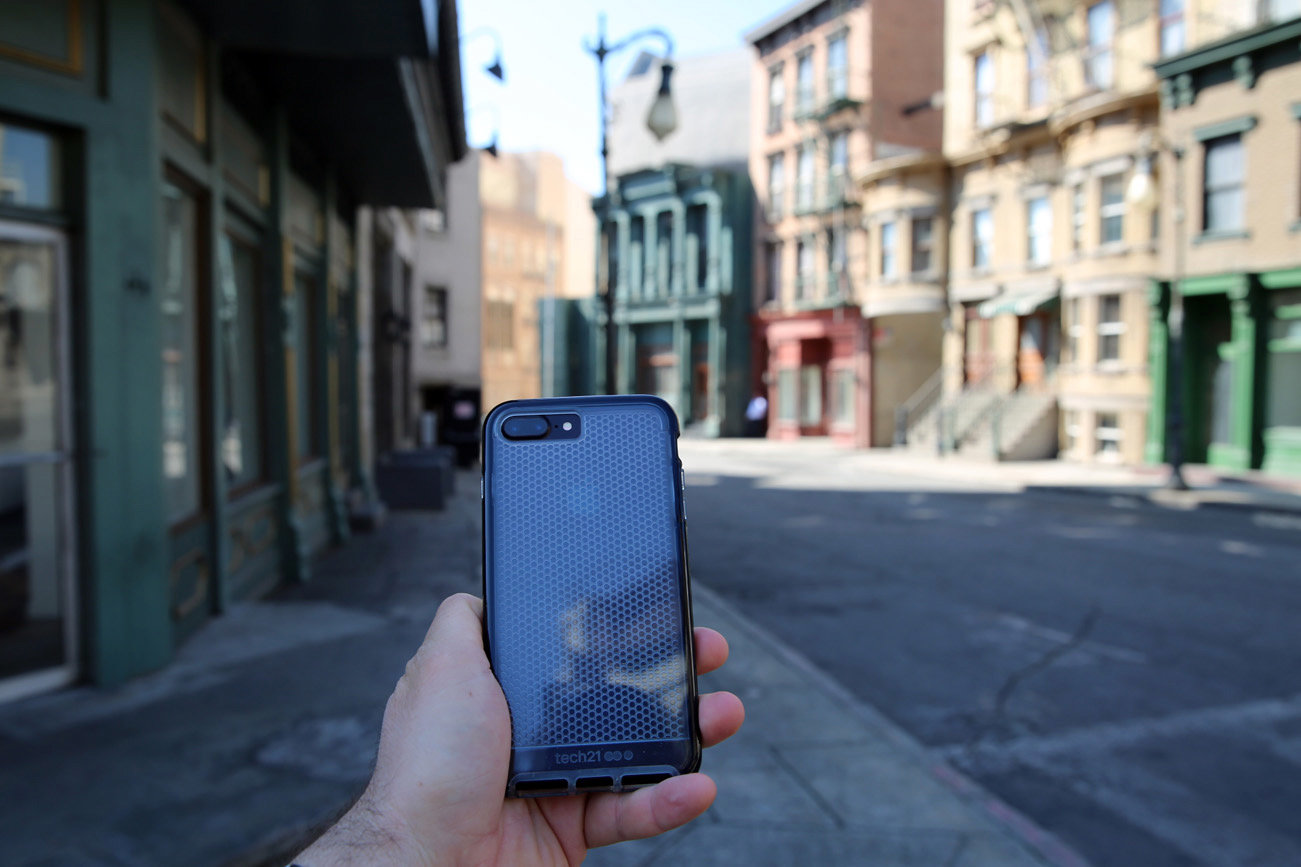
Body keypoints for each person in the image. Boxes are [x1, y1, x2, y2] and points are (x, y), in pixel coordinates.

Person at [295, 593, 745, 865]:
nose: (575, 629)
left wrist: (400, 838)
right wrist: (405, 835)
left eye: (591, 621)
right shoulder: (602, 703)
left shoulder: (624, 702)